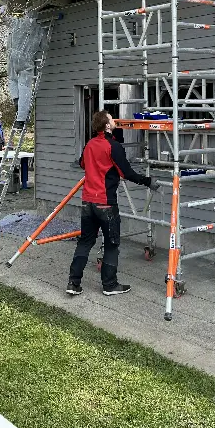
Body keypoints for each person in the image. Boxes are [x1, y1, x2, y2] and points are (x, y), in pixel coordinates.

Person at [67, 110, 159, 297]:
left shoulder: (90, 144)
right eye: (111, 118)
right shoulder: (113, 146)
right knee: (111, 244)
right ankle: (109, 285)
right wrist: (148, 181)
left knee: (85, 242)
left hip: (87, 202)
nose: (114, 119)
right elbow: (127, 173)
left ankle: (73, 283)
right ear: (107, 125)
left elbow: (83, 164)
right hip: (106, 204)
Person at [3, 8, 47, 129]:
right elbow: (44, 47)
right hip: (26, 61)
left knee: (12, 80)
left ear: (26, 14)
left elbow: (5, 19)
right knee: (25, 88)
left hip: (12, 58)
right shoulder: (39, 30)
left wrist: (3, 10)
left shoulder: (18, 22)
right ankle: (20, 120)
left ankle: (16, 99)